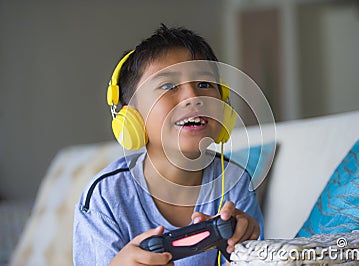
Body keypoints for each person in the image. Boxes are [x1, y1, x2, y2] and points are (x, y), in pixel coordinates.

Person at [73, 24, 264, 266]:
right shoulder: (105, 197)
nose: (193, 97)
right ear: (131, 118)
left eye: (204, 84)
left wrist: (250, 249)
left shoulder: (236, 182)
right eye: (168, 86)